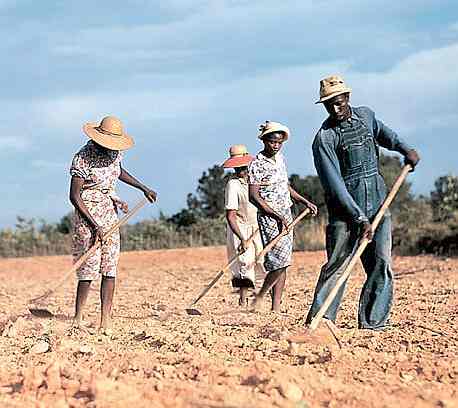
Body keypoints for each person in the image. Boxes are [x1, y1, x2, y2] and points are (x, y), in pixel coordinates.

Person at [305, 75, 420, 330]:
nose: (336, 107)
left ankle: (373, 322)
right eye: (329, 104)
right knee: (337, 266)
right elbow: (335, 186)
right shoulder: (324, 139)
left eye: (339, 101)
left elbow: (386, 135)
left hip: (379, 204)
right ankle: (321, 322)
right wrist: (359, 218)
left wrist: (405, 149)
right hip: (344, 215)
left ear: (348, 97)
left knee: (381, 263)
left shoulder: (366, 117)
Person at [69, 116, 157, 335]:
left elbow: (119, 171)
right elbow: (74, 196)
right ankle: (78, 318)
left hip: (109, 214)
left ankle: (105, 320)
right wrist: (94, 225)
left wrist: (142, 187)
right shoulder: (83, 158)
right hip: (87, 216)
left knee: (110, 266)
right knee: (88, 267)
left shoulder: (115, 153)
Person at [249, 121, 318, 312]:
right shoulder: (257, 164)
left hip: (286, 212)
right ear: (264, 141)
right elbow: (254, 195)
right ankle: (261, 295)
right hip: (269, 217)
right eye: (272, 142)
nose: (276, 145)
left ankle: (275, 307)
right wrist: (275, 215)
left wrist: (304, 201)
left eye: (279, 142)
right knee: (277, 262)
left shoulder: (280, 159)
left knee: (284, 261)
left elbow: (284, 186)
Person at [223, 144, 265, 306]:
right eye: (238, 167)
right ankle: (243, 300)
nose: (242, 170)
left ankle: (258, 299)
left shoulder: (256, 179)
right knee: (244, 265)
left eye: (244, 166)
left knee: (261, 262)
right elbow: (231, 216)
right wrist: (242, 238)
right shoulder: (233, 185)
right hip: (240, 228)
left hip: (258, 227)